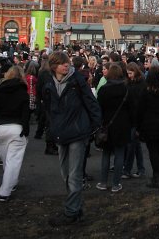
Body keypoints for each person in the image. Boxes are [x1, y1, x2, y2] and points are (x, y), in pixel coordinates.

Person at [43, 51, 101, 226]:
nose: (66, 65)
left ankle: (71, 212)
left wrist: (95, 126)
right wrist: (51, 130)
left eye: (66, 62)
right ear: (54, 66)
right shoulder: (49, 83)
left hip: (78, 132)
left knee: (74, 175)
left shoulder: (76, 81)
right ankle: (76, 206)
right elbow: (48, 109)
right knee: (65, 174)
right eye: (62, 63)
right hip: (61, 133)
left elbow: (91, 102)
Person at [96, 63, 133, 192]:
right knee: (119, 154)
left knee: (106, 153)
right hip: (122, 125)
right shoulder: (126, 89)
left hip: (107, 124)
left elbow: (99, 108)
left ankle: (103, 182)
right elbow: (131, 108)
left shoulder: (103, 90)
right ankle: (116, 183)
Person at [0, 66, 30, 202]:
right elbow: (25, 114)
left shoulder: (0, 92)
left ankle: (10, 184)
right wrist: (25, 131)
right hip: (17, 128)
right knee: (13, 162)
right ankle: (5, 190)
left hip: (1, 128)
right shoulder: (23, 93)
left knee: (6, 161)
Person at [122, 62, 146, 179]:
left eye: (130, 73)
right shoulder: (133, 83)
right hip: (132, 118)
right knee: (135, 145)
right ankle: (140, 169)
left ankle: (127, 169)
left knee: (132, 145)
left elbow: (139, 105)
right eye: (128, 73)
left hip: (135, 119)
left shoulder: (139, 85)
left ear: (135, 72)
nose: (129, 75)